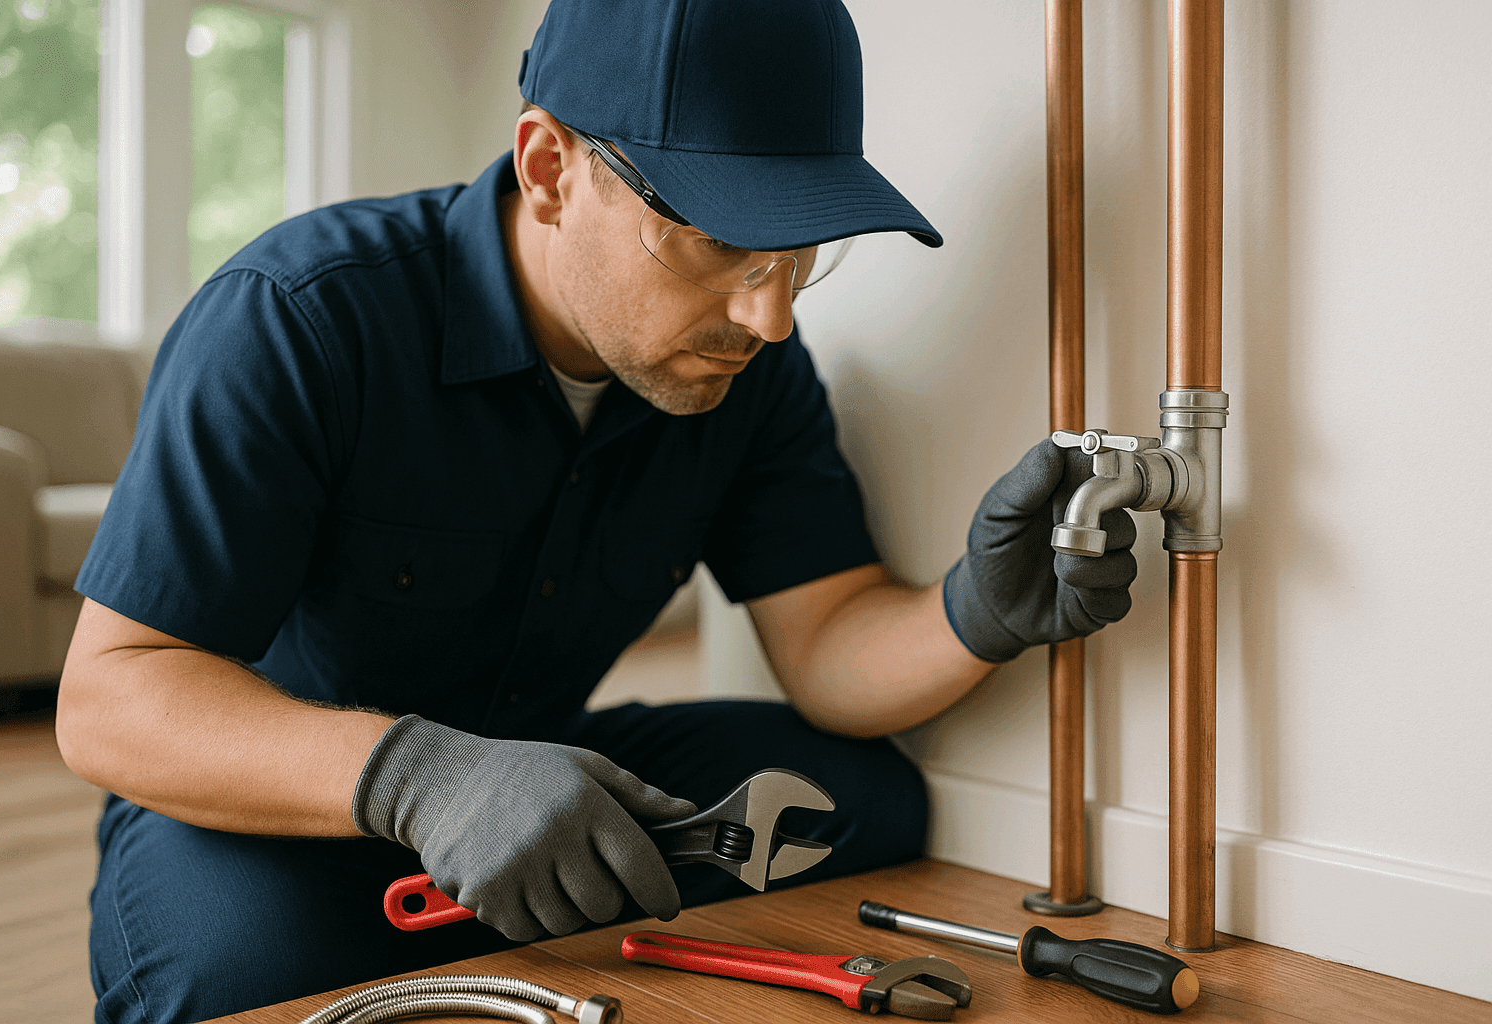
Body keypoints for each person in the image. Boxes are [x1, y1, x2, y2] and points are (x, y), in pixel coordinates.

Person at [56, 1, 1137, 1021]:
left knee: (865, 794)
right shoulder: (301, 320)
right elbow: (110, 698)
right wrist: (422, 775)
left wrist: (974, 612)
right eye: (721, 240)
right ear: (548, 170)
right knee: (242, 974)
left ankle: (487, 937)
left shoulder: (749, 372)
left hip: (545, 775)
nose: (766, 314)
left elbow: (825, 640)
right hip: (278, 804)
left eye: (801, 247)